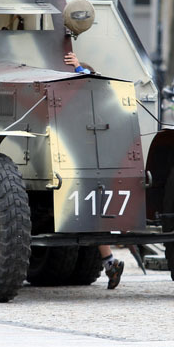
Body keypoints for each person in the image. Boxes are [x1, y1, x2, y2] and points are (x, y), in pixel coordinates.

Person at [64, 51, 125, 290]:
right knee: (96, 217)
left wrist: (79, 69)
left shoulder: (90, 98)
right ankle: (109, 263)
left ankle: (110, 262)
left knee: (95, 215)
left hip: (88, 167)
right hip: (87, 167)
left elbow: (93, 81)